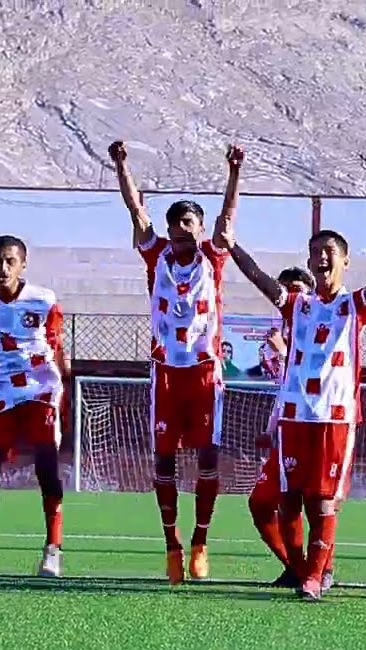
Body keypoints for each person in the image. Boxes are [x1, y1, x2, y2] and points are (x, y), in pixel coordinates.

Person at [223, 212, 366, 601]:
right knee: (287, 500)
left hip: (335, 417)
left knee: (322, 501)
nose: (321, 258)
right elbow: (259, 278)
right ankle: (306, 569)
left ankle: (315, 577)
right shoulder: (296, 304)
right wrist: (232, 245)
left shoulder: (355, 306)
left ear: (344, 260)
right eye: (315, 253)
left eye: (329, 252)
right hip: (293, 415)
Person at [109, 140, 243, 584]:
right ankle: (172, 545)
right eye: (177, 223)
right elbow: (135, 213)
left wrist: (233, 174)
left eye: (190, 222)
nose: (183, 229)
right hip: (166, 372)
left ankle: (201, 541)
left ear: (200, 228)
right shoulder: (157, 255)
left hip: (205, 372)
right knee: (164, 462)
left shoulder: (213, 257)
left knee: (208, 457)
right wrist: (121, 166)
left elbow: (228, 220)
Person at [0, 235, 70, 586]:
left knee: (46, 466)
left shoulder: (43, 300)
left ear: (23, 265)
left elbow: (57, 347)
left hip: (40, 389)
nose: (2, 268)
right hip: (0, 392)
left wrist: (61, 387)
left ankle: (53, 548)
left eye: (10, 261)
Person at [248, 266, 319, 589]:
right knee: (261, 502)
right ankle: (296, 566)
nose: (290, 293)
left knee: (314, 501)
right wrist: (270, 426)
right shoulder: (278, 333)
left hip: (317, 426)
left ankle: (318, 570)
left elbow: (315, 371)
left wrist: (284, 350)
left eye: (297, 287)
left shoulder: (320, 322)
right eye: (285, 288)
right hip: (284, 428)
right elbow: (284, 386)